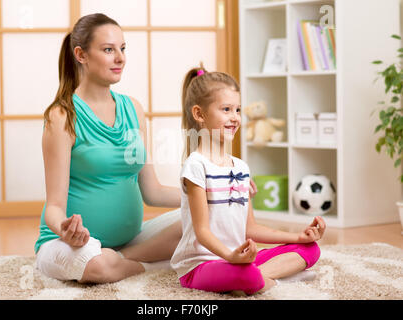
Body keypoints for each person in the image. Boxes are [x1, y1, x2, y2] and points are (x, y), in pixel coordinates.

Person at [34, 13, 186, 284]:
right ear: (81, 55)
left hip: (130, 240)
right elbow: (54, 208)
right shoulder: (62, 117)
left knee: (200, 219)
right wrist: (65, 230)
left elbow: (153, 192)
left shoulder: (133, 109)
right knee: (98, 266)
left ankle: (124, 258)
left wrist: (208, 193)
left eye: (122, 49)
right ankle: (147, 263)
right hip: (70, 245)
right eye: (108, 50)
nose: (120, 58)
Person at [170, 65, 325, 294]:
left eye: (238, 110)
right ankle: (270, 278)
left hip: (237, 259)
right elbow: (202, 232)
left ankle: (260, 278)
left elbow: (250, 229)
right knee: (246, 274)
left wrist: (299, 236)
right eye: (226, 109)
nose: (235, 118)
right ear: (199, 114)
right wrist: (231, 256)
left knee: (311, 249)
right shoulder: (196, 166)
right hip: (201, 265)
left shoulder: (241, 167)